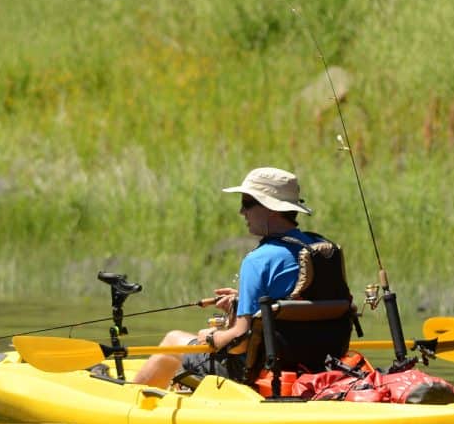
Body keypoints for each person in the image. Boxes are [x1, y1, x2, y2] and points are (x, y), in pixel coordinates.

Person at [133, 166, 352, 389]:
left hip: (254, 369)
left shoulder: (258, 260)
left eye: (247, 203)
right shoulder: (321, 249)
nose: (241, 212)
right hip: (316, 362)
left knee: (173, 340)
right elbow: (300, 299)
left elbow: (240, 341)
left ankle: (130, 400)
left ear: (270, 208)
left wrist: (209, 337)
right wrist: (244, 299)